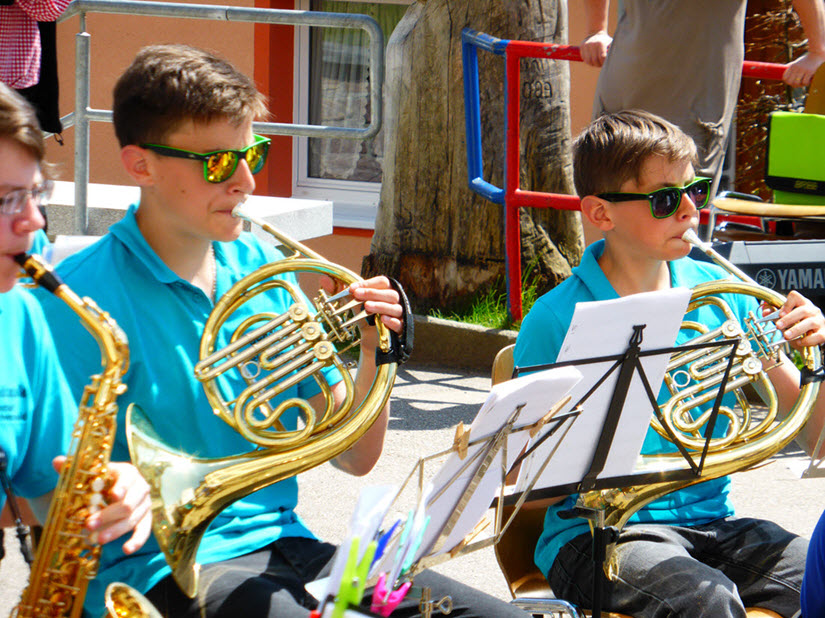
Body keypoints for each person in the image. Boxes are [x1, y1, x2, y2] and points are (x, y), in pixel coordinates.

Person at [35, 44, 534, 618]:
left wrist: (377, 350)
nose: (246, 181)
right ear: (140, 165)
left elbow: (354, 457)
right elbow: (40, 493)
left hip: (290, 545)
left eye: (253, 154)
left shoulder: (260, 266)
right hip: (157, 569)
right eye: (218, 163)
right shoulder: (75, 299)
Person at [514, 109, 825, 618]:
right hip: (594, 535)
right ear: (601, 214)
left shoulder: (726, 296)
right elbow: (520, 491)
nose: (688, 210)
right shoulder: (555, 319)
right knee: (705, 599)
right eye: (664, 199)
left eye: (695, 191)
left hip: (713, 524)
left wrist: (818, 359)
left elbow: (819, 442)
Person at [0, 82, 151, 570]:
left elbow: (42, 492)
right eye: (5, 200)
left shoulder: (19, 314)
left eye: (34, 194)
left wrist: (108, 489)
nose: (33, 221)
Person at [578, 0, 825, 182]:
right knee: (618, 197)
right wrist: (595, 30)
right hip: (632, 92)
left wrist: (818, 50)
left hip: (691, 100)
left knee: (677, 206)